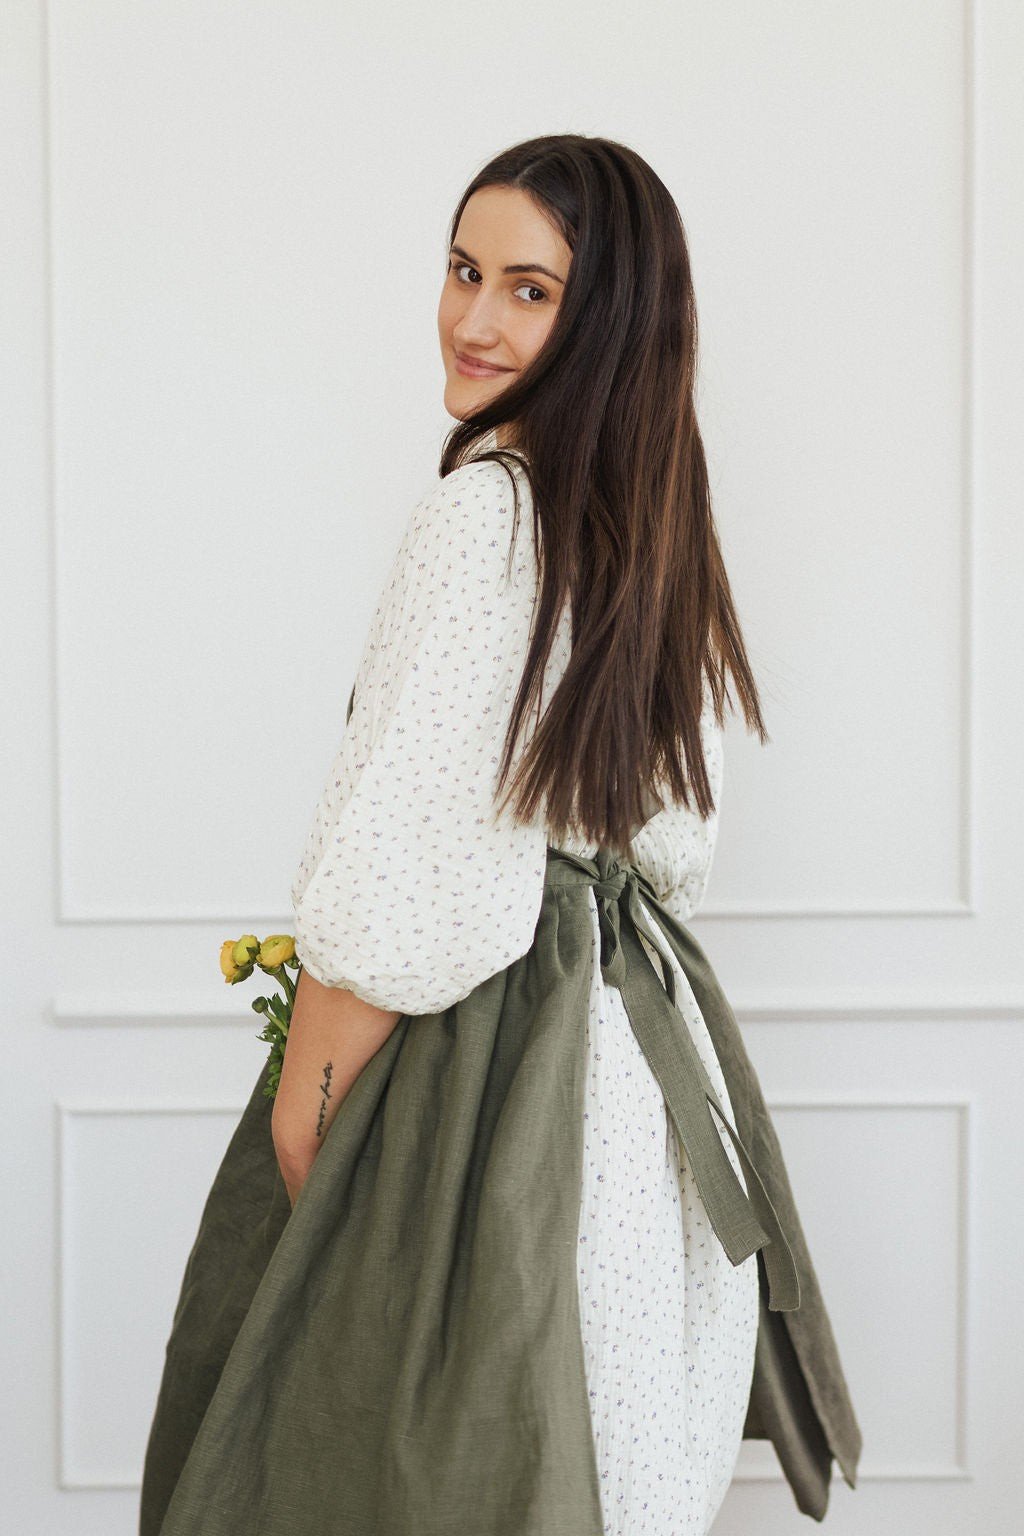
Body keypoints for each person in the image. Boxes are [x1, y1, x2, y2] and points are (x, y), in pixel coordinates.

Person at [139, 135, 862, 1535]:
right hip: (648, 1107)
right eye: (465, 272)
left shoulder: (486, 516)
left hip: (503, 1097)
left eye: (529, 290)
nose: (474, 319)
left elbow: (413, 869)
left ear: (608, 320)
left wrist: (310, 1109)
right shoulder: (655, 531)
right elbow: (677, 851)